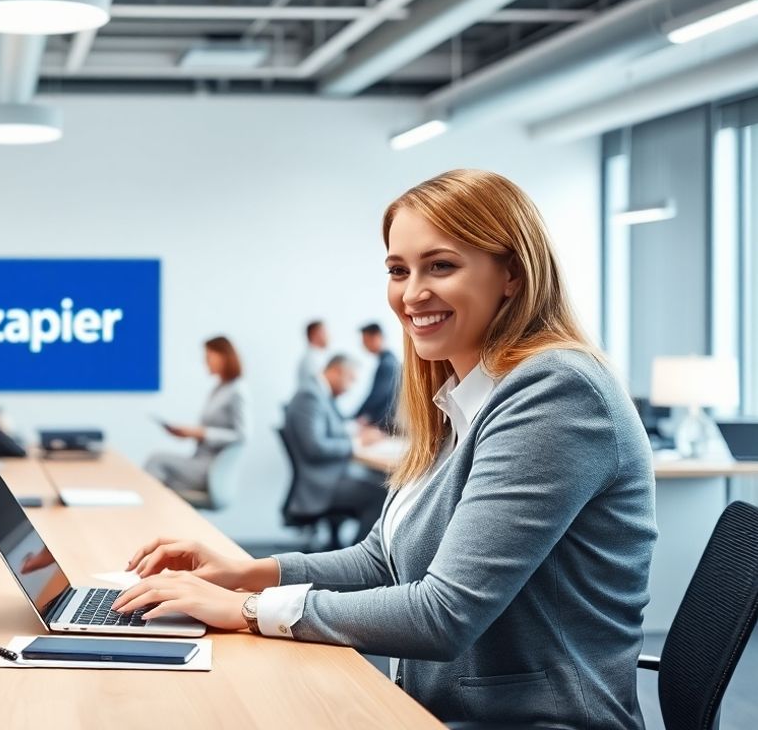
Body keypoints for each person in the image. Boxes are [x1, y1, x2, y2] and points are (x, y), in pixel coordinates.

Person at [114, 169, 656, 729]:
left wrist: (248, 612)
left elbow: (444, 614)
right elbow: (381, 560)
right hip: (440, 709)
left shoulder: (556, 392)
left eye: (440, 266)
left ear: (512, 274)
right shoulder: (463, 399)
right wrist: (246, 573)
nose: (412, 292)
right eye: (399, 271)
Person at [283, 355, 386, 547]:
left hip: (330, 476)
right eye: (350, 379)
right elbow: (315, 447)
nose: (350, 388)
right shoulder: (310, 395)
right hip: (320, 485)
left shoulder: (319, 393)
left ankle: (358, 559)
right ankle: (358, 564)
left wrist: (356, 431)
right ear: (336, 371)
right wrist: (357, 444)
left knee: (379, 484)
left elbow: (332, 427)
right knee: (381, 494)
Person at [145, 336, 249, 496]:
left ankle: (147, 515)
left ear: (223, 357)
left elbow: (242, 435)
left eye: (208, 357)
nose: (205, 362)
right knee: (162, 483)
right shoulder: (219, 389)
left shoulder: (237, 391)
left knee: (156, 461)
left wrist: (203, 433)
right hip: (198, 459)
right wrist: (188, 433)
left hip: (211, 467)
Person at [354, 323, 399, 433]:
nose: (363, 345)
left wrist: (356, 415)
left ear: (376, 337)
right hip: (384, 421)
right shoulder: (389, 360)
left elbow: (378, 395)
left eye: (365, 341)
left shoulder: (387, 363)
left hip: (384, 423)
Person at [297, 320, 329, 388]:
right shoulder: (312, 359)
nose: (329, 336)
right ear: (314, 334)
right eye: (325, 332)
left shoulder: (317, 356)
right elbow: (321, 386)